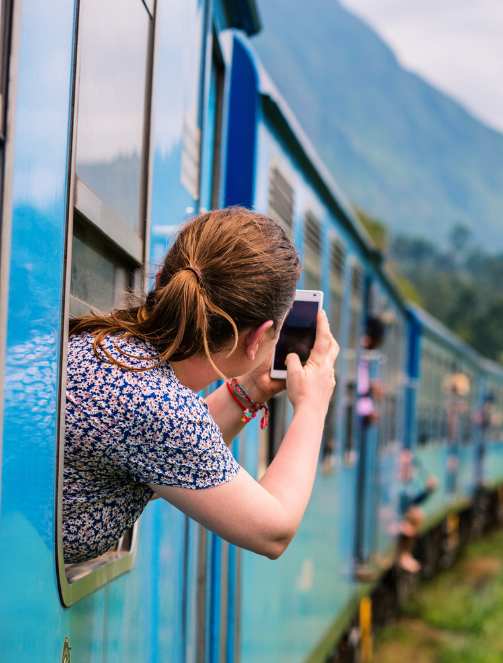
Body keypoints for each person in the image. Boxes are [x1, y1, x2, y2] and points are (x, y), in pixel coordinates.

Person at [62, 207, 339, 565]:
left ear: (162, 279)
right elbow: (275, 531)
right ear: (256, 340)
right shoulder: (158, 405)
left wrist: (251, 390)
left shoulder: (112, 347)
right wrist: (313, 406)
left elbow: (167, 452)